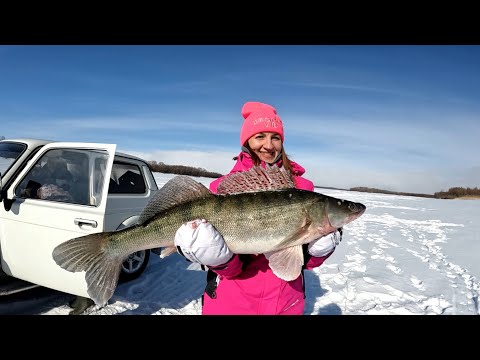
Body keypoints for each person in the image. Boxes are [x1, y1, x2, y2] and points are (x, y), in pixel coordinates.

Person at [174, 101, 343, 315]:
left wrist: (319, 252)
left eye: (275, 138)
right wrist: (218, 260)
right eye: (259, 136)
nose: (269, 145)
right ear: (246, 142)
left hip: (285, 302)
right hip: (232, 303)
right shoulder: (221, 189)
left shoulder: (303, 189)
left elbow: (305, 264)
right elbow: (225, 269)